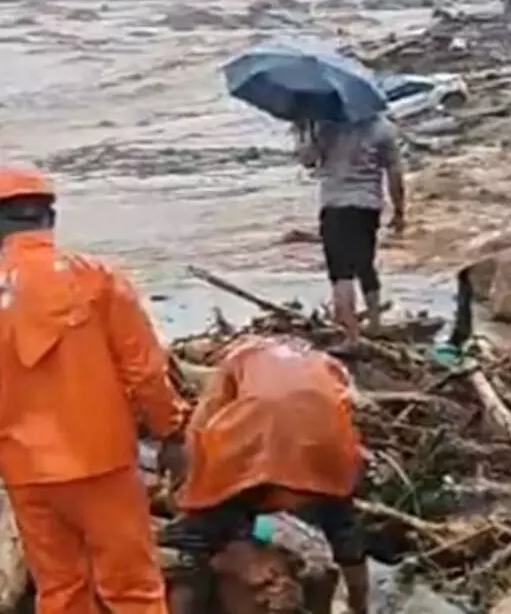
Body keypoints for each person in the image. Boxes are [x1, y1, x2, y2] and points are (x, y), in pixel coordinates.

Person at [0, 165, 188, 614]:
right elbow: (145, 371)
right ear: (49, 218)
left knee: (61, 592)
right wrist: (171, 433)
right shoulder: (97, 279)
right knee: (134, 591)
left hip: (25, 471)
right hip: (100, 461)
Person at [161, 335, 368, 614]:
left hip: (256, 444)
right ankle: (360, 605)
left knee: (194, 541)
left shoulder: (236, 359)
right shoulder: (323, 362)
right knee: (342, 528)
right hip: (325, 447)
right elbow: (346, 409)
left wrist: (188, 493)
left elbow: (200, 427)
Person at [296, 115, 406, 340]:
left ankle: (351, 335)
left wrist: (304, 130)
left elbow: (307, 160)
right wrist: (399, 211)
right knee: (365, 264)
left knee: (341, 272)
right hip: (368, 205)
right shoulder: (383, 128)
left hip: (335, 205)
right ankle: (375, 323)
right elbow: (395, 173)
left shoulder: (326, 124)